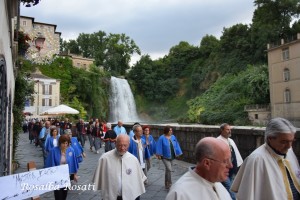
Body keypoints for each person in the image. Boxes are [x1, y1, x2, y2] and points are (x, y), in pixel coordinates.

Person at [231, 117, 299, 200]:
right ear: (270, 138)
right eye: (284, 142)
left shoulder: (289, 151)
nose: (289, 146)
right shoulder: (256, 160)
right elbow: (248, 195)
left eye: (291, 141)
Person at [166, 137, 232, 200]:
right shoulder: (180, 193)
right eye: (225, 161)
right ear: (207, 163)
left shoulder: (215, 182)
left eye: (230, 160)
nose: (230, 165)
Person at [92, 134, 147, 200]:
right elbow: (98, 178)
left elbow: (139, 179)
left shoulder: (133, 159)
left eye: (125, 145)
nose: (122, 148)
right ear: (115, 143)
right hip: (111, 196)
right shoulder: (105, 158)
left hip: (131, 196)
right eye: (120, 145)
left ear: (128, 144)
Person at [45, 134, 79, 200]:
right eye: (63, 143)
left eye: (66, 143)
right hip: (56, 176)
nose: (65, 145)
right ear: (60, 143)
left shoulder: (71, 150)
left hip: (66, 176)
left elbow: (73, 163)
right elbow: (49, 162)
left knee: (64, 193)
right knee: (58, 194)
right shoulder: (53, 151)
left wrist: (75, 174)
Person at [217, 123, 243, 200]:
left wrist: (239, 164)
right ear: (221, 130)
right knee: (230, 187)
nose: (229, 131)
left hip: (232, 169)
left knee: (227, 187)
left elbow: (236, 154)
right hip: (223, 170)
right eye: (227, 129)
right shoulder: (218, 141)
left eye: (230, 129)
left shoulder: (230, 140)